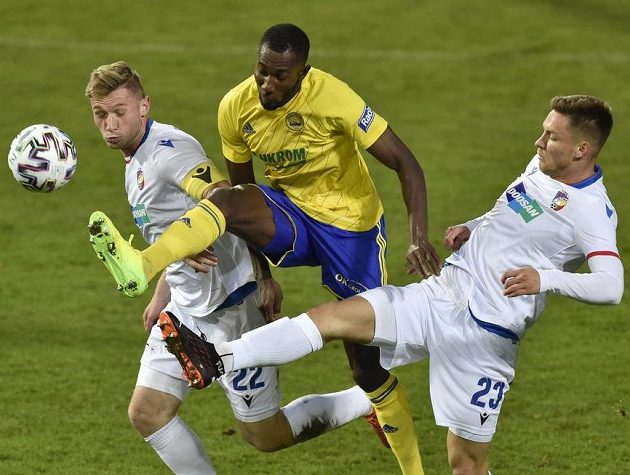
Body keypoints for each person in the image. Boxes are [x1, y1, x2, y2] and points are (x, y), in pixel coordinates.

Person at [158, 95, 624, 474]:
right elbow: (512, 212)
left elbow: (611, 286)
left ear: (582, 150)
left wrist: (545, 278)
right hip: (443, 292)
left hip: (485, 336)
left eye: (551, 136)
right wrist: (471, 225)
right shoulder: (542, 166)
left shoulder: (592, 212)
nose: (538, 140)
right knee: (334, 317)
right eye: (543, 130)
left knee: (465, 463)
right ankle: (216, 358)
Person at [88, 24, 441, 474]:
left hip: (324, 243)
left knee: (314, 403)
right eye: (101, 114)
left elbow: (210, 185)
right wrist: (170, 286)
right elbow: (236, 192)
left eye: (280, 76)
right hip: (217, 280)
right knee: (146, 414)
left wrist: (417, 236)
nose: (267, 84)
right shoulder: (232, 110)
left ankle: (368, 402)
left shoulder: (171, 150)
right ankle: (143, 264)